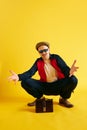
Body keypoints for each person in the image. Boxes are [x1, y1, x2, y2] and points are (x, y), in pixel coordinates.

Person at [8, 41, 79, 108]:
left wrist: (69, 72)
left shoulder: (56, 58)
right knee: (25, 82)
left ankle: (63, 99)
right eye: (41, 51)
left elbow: (64, 68)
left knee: (73, 79)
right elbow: (30, 72)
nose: (44, 52)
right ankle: (40, 99)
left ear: (49, 49)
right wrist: (18, 77)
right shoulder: (38, 61)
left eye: (45, 50)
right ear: (38, 52)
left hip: (58, 85)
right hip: (45, 86)